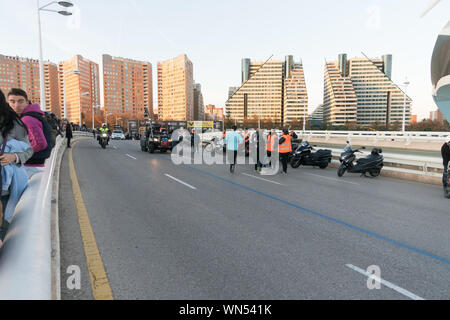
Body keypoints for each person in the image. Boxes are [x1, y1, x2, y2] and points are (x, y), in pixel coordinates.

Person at [0, 90, 33, 243]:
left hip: (5, 188)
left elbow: (28, 149)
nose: (16, 105)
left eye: (20, 101)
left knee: (5, 231)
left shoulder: (13, 123)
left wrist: (14, 157)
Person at [7, 89, 50, 177]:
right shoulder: (26, 116)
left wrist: (18, 155)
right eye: (12, 101)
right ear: (8, 103)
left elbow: (40, 144)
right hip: (34, 164)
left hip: (31, 167)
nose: (16, 105)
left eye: (20, 101)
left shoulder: (27, 119)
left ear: (27, 103)